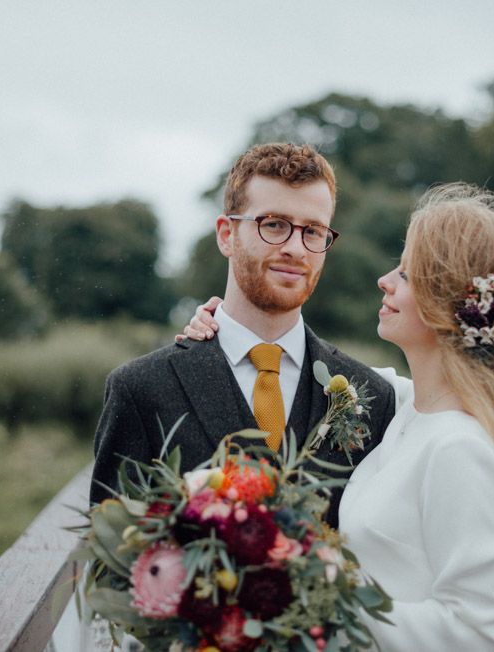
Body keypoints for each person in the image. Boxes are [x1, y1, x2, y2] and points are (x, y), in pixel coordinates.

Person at [185, 183, 494, 651]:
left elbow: (477, 635)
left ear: (451, 300)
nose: (385, 280)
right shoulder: (407, 409)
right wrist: (228, 330)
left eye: (407, 273)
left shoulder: (460, 449)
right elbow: (306, 367)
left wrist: (315, 589)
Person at [91, 143, 396, 531]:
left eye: (313, 231)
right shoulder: (140, 390)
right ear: (226, 234)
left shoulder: (373, 397)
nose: (294, 248)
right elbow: (109, 561)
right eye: (273, 225)